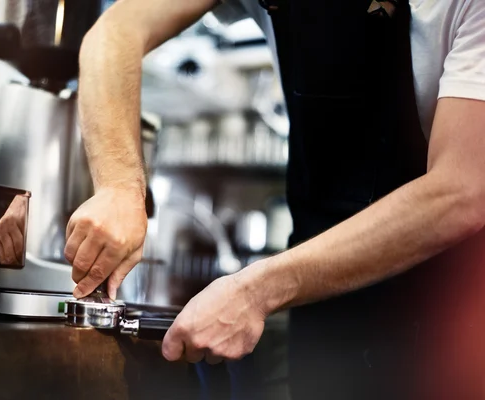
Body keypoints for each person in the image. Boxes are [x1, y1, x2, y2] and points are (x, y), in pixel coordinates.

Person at [66, 0, 485, 398]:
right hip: (323, 312)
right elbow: (115, 31)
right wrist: (119, 187)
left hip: (453, 318)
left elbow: (461, 189)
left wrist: (256, 292)